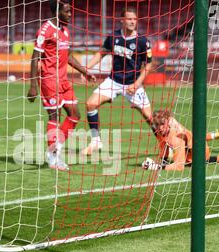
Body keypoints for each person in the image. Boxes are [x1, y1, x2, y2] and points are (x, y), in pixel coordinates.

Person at [27, 0, 95, 171]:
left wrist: (85, 71)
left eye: (70, 11)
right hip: (49, 80)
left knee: (75, 114)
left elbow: (69, 56)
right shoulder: (45, 29)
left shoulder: (65, 30)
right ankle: (53, 156)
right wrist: (33, 85)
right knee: (54, 116)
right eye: (67, 11)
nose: (70, 14)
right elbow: (35, 57)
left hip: (63, 80)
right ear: (57, 12)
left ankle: (55, 148)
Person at [81, 7, 154, 155]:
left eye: (134, 19)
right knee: (90, 104)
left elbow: (149, 64)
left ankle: (166, 144)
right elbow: (101, 53)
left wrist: (137, 83)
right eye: (129, 19)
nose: (132, 22)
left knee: (150, 118)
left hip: (133, 84)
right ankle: (96, 141)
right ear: (122, 20)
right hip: (113, 81)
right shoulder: (113, 37)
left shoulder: (142, 41)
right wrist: (86, 69)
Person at [142, 109, 219, 171]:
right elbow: (163, 142)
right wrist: (163, 160)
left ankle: (218, 141)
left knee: (193, 162)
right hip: (194, 142)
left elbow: (179, 166)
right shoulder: (167, 124)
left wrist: (156, 166)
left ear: (167, 122)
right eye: (157, 124)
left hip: (200, 151)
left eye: (162, 124)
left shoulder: (176, 138)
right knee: (193, 137)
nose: (160, 128)